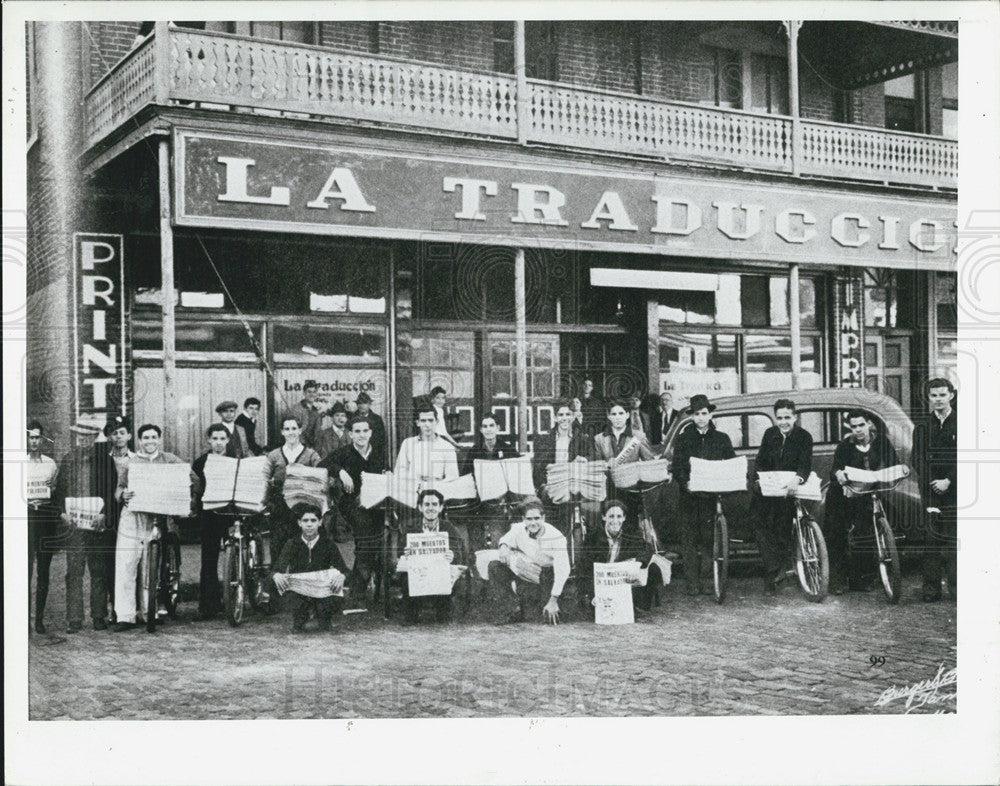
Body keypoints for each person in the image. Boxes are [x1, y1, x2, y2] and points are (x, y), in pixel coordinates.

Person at [113, 424, 187, 631]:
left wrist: (182, 497)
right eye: (145, 438)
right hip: (132, 515)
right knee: (126, 563)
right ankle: (125, 616)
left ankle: (149, 612)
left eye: (154, 437)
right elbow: (119, 487)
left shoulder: (169, 459)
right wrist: (122, 495)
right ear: (139, 441)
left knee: (149, 566)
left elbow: (188, 476)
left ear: (159, 439)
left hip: (153, 517)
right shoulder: (131, 462)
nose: (150, 441)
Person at [824, 410, 900, 595]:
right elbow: (835, 469)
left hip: (869, 492)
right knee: (836, 532)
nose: (858, 430)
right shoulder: (845, 446)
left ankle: (862, 578)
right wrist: (839, 475)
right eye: (854, 426)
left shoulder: (881, 442)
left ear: (869, 425)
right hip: (845, 495)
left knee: (867, 531)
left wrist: (895, 472)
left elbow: (893, 463)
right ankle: (838, 580)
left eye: (861, 425)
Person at [54, 421, 118, 632]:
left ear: (94, 438)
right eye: (80, 436)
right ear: (76, 437)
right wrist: (62, 513)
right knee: (74, 572)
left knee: (99, 570)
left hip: (97, 525)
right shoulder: (67, 460)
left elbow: (112, 493)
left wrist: (105, 514)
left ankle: (99, 615)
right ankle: (74, 619)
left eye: (88, 436)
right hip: (74, 527)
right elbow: (59, 493)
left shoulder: (106, 462)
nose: (84, 440)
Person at [670, 394, 736, 595]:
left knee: (710, 539)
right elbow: (678, 466)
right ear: (692, 416)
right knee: (689, 540)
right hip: (689, 497)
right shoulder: (683, 439)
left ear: (710, 415)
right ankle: (692, 582)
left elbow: (730, 463)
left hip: (712, 497)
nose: (700, 418)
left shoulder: (722, 438)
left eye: (704, 413)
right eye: (697, 414)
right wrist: (685, 482)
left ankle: (709, 579)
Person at [750, 399, 814, 593]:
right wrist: (759, 480)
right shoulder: (770, 434)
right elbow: (760, 460)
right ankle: (774, 567)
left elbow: (805, 464)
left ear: (794, 417)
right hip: (770, 490)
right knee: (756, 520)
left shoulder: (804, 437)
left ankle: (777, 572)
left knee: (782, 526)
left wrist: (798, 479)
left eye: (787, 417)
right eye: (779, 418)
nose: (783, 422)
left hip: (790, 491)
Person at [321, 416, 387, 605]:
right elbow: (323, 464)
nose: (361, 435)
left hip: (376, 502)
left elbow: (387, 471)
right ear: (350, 434)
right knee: (365, 534)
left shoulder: (379, 453)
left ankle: (372, 572)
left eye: (365, 431)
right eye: (357, 431)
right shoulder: (344, 452)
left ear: (371, 433)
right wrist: (340, 471)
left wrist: (387, 474)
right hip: (353, 504)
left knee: (382, 533)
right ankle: (359, 586)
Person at [487, 498, 570, 625]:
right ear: (523, 519)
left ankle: (527, 606)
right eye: (529, 519)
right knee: (495, 566)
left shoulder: (556, 537)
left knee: (538, 617)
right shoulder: (518, 529)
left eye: (537, 518)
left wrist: (553, 599)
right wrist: (503, 547)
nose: (533, 523)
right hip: (525, 572)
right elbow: (505, 539)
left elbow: (563, 570)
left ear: (543, 518)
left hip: (546, 575)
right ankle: (508, 608)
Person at [269, 503, 348, 632]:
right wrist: (276, 575)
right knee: (298, 623)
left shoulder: (328, 544)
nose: (309, 524)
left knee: (325, 623)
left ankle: (321, 614)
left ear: (320, 522)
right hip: (300, 591)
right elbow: (276, 569)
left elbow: (344, 570)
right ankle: (303, 614)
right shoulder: (292, 543)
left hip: (322, 591)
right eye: (305, 520)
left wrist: (342, 576)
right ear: (299, 523)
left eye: (313, 520)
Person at [912, 378, 957, 602]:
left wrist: (949, 480)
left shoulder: (962, 422)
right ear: (928, 398)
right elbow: (917, 458)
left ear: (951, 395)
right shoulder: (922, 426)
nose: (938, 399)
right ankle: (931, 590)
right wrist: (932, 482)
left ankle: (958, 590)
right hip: (931, 491)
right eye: (933, 396)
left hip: (956, 490)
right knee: (930, 541)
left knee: (953, 541)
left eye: (942, 395)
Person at [578, 499, 664, 614]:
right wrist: (592, 594)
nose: (615, 521)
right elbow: (584, 568)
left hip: (622, 580)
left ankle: (638, 604)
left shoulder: (630, 533)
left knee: (653, 569)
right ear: (604, 517)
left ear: (624, 518)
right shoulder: (593, 537)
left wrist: (637, 563)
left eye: (619, 516)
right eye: (611, 516)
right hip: (602, 582)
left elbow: (647, 548)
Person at [396, 489, 467, 624]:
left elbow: (459, 553)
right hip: (419, 571)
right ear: (420, 507)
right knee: (407, 576)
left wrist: (452, 555)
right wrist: (405, 553)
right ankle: (412, 613)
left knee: (449, 575)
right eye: (427, 505)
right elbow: (399, 552)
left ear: (440, 508)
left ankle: (443, 611)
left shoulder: (448, 527)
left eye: (434, 505)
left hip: (440, 571)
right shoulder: (410, 527)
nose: (430, 508)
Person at [190, 424, 235, 620]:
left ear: (227, 440)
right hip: (209, 514)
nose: (218, 443)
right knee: (209, 559)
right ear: (209, 440)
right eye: (214, 438)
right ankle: (208, 605)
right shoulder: (201, 462)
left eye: (222, 438)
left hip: (232, 513)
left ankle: (234, 599)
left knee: (235, 554)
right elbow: (197, 490)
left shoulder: (235, 461)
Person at [264, 416, 324, 561]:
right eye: (287, 429)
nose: (291, 432)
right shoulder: (273, 455)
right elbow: (264, 477)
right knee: (278, 543)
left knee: (304, 544)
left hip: (303, 505)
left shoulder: (311, 454)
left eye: (294, 429)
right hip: (280, 506)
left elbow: (322, 474)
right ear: (282, 432)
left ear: (300, 431)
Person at [531, 400, 594, 537]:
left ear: (572, 416)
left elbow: (591, 458)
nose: (564, 418)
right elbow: (538, 467)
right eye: (560, 415)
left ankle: (567, 540)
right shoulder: (546, 439)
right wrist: (544, 484)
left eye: (567, 414)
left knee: (569, 500)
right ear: (555, 418)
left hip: (573, 484)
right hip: (551, 485)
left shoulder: (582, 439)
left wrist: (584, 460)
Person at [26, 421, 60, 634]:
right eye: (31, 438)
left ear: (43, 440)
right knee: (26, 570)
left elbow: (56, 488)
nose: (34, 441)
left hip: (45, 517)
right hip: (27, 517)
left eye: (38, 437)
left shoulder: (51, 464)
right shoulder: (19, 463)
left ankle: (39, 619)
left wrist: (52, 488)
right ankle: (24, 619)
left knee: (43, 571)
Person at [103, 415, 135, 621]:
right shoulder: (104, 459)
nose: (119, 437)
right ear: (109, 437)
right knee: (110, 561)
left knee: (128, 561)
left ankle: (131, 608)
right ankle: (114, 608)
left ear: (129, 435)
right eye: (114, 433)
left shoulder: (137, 459)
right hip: (109, 513)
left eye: (122, 432)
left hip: (130, 513)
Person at [395, 404, 460, 487]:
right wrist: (415, 480)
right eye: (423, 421)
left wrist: (437, 484)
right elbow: (400, 472)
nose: (427, 425)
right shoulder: (408, 444)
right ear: (417, 423)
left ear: (437, 422)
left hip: (438, 491)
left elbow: (452, 477)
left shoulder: (447, 447)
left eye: (430, 420)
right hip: (413, 489)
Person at [287, 380, 322, 449]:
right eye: (309, 392)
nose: (312, 394)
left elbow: (317, 432)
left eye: (314, 392)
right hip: (298, 446)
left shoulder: (316, 411)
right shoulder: (296, 409)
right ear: (304, 393)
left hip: (312, 448)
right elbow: (294, 431)